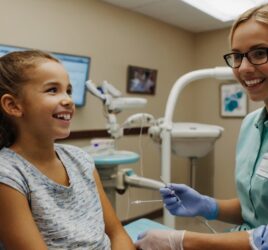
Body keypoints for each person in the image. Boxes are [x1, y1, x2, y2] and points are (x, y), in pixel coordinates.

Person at [135, 4, 268, 250]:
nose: (244, 68)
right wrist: (208, 205)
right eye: (237, 56)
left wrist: (184, 240)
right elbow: (255, 210)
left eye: (259, 53)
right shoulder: (252, 125)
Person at [0, 50, 135, 249]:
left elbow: (117, 233)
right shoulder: (8, 174)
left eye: (68, 91)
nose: (68, 100)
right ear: (13, 105)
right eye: (52, 90)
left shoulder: (80, 159)